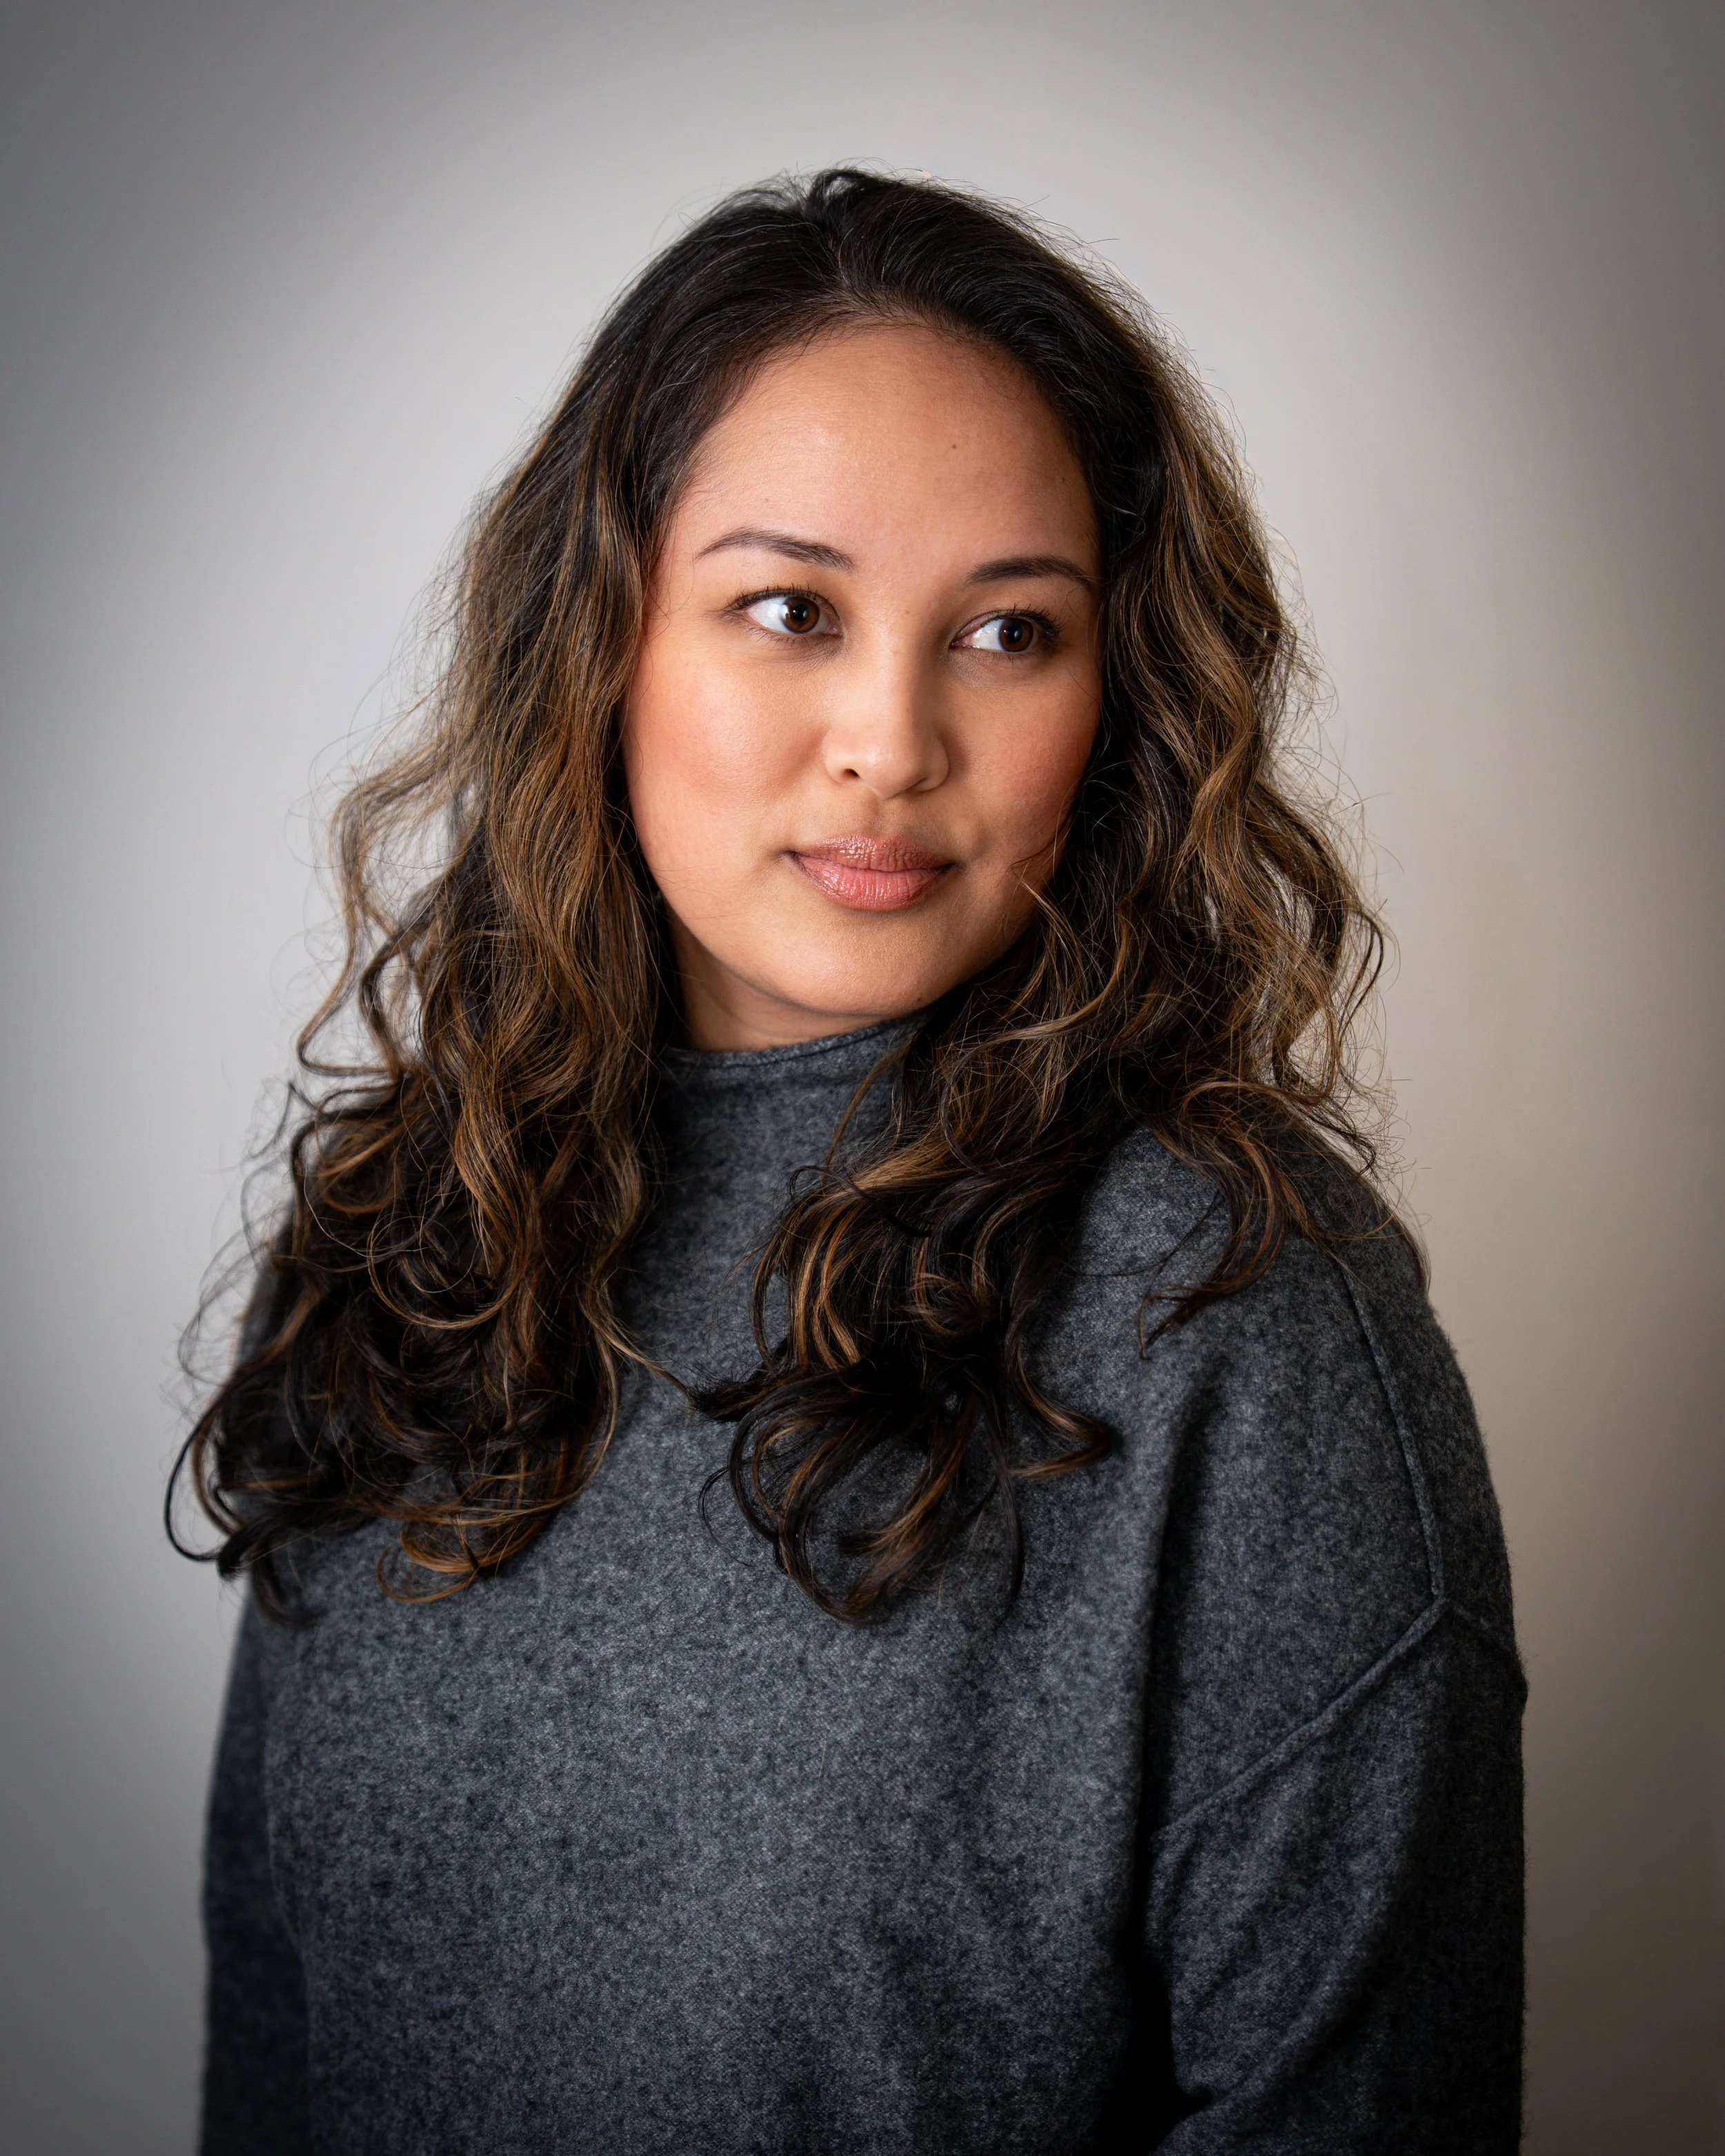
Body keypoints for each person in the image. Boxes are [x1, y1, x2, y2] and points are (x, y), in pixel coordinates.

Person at [178, 168, 1524, 2154]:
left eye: (1006, 629)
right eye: (788, 608)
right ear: (604, 638)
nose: (889, 737)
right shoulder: (409, 1233)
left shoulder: (1242, 1313)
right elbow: (279, 2042)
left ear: (1115, 696)